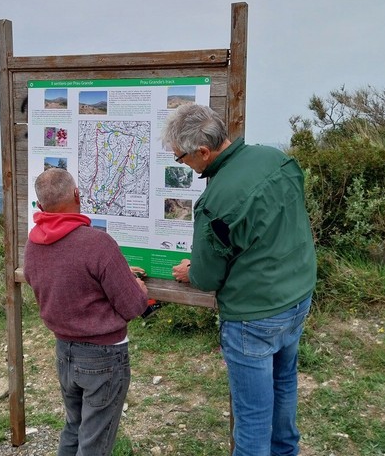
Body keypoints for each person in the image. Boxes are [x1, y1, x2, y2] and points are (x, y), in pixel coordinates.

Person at [162, 104, 317, 456]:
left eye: (181, 158)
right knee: (284, 384)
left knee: (252, 417)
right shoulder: (276, 159)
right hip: (297, 295)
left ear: (203, 152)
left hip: (253, 315)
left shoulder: (215, 201)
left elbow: (207, 277)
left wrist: (190, 271)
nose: (182, 163)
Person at [23, 168, 149, 456]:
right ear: (77, 195)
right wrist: (137, 287)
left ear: (41, 206)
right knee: (94, 441)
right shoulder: (97, 243)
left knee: (74, 426)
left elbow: (54, 278)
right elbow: (132, 306)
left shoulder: (33, 244)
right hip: (103, 357)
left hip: (64, 352)